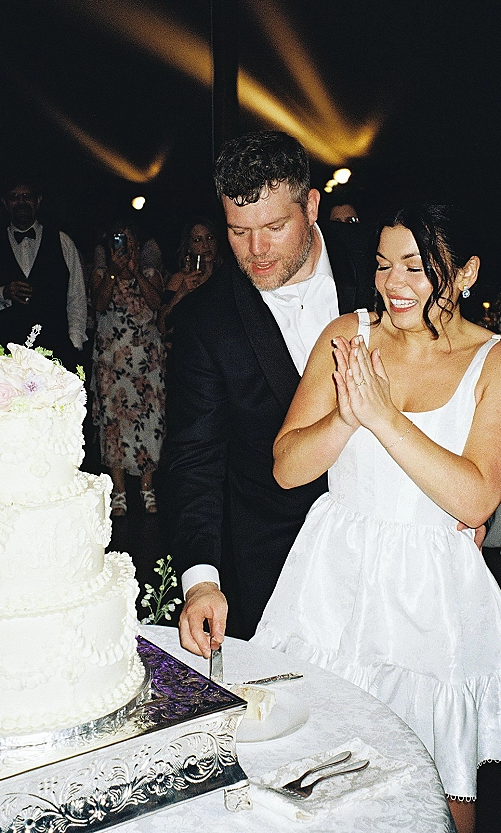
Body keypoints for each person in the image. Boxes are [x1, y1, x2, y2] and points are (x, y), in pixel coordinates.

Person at [253, 202, 501, 833]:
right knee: (319, 779)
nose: (394, 285)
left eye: (417, 269)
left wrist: (384, 416)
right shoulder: (346, 336)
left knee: (440, 795)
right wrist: (344, 416)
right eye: (385, 266)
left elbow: (475, 498)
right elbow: (287, 466)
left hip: (431, 598)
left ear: (466, 272)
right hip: (333, 583)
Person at [163, 130, 372, 651]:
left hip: (388, 543)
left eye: (275, 227)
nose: (255, 251)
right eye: (237, 231)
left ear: (312, 206)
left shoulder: (378, 268)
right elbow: (195, 460)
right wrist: (201, 583)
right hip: (274, 564)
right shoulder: (204, 322)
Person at [91, 224, 166, 516]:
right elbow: (98, 304)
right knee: (113, 425)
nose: (126, 249)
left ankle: (147, 488)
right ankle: (119, 491)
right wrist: (113, 269)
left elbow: (157, 303)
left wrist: (135, 272)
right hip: (111, 363)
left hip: (146, 363)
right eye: (119, 243)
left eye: (129, 243)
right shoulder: (102, 274)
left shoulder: (149, 273)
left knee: (149, 422)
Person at [0, 180, 87, 369]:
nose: (21, 202)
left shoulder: (63, 241)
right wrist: (3, 293)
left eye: (26, 196)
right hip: (6, 351)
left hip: (55, 347)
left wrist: (74, 343)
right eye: (14, 197)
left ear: (38, 201)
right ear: (5, 203)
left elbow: (76, 296)